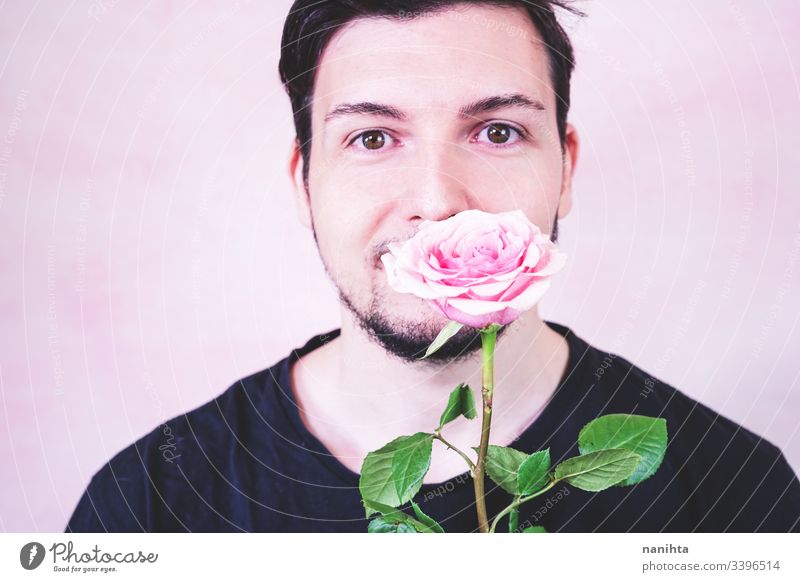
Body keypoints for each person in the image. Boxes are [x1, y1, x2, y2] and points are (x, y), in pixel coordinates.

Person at [66, 0, 800, 533]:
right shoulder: (148, 505)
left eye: (498, 131)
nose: (438, 201)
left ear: (566, 169)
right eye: (373, 139)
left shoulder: (734, 492)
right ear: (303, 182)